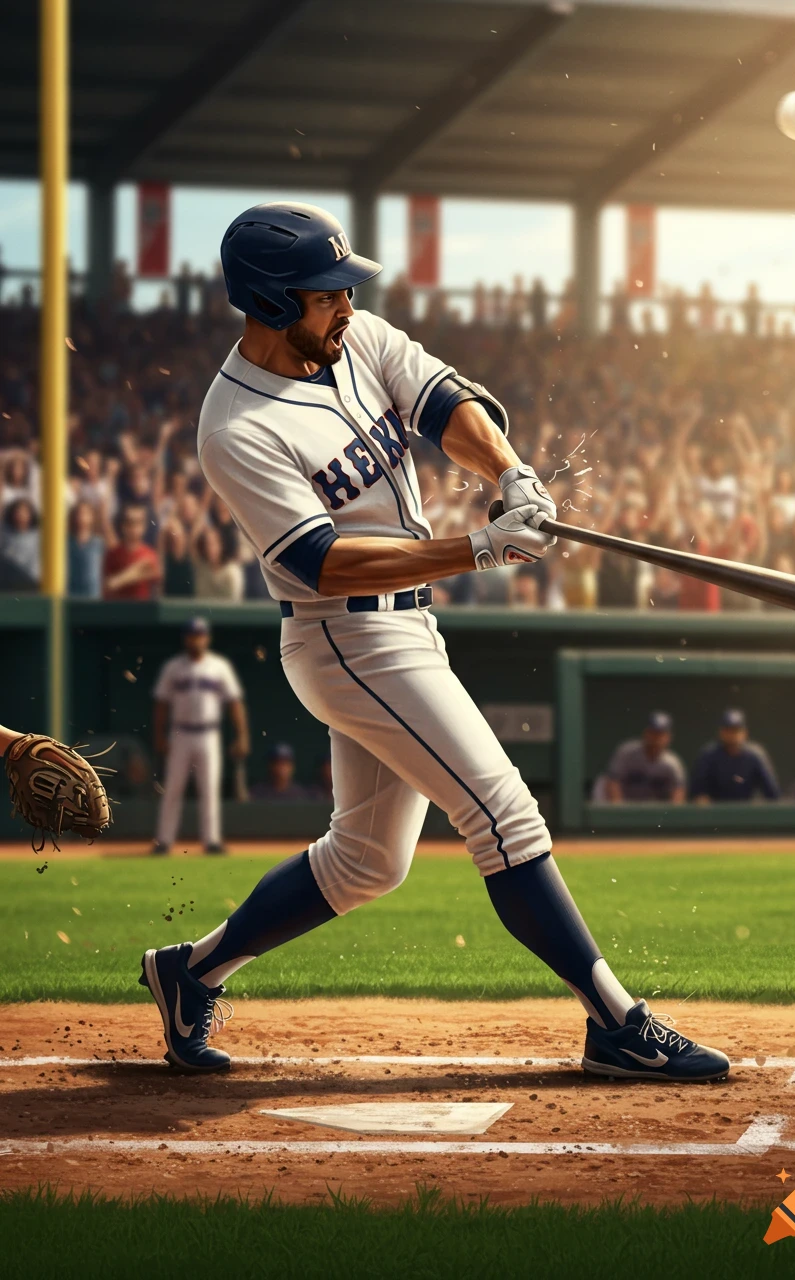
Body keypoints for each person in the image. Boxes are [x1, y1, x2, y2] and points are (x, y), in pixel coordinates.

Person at [138, 200, 728, 1083]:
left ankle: (192, 971)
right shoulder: (237, 429)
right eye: (323, 292)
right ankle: (616, 1021)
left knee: (369, 861)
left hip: (407, 625)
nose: (344, 302)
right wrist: (481, 548)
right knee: (502, 811)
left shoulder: (357, 338)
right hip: (346, 639)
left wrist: (510, 473)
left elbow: (449, 405)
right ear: (268, 305)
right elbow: (323, 561)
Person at [151, 618, 249, 855]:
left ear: (207, 638)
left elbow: (234, 702)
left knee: (209, 788)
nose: (196, 639)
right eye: (192, 635)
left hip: (209, 733)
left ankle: (212, 841)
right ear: (185, 638)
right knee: (173, 788)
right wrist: (159, 735)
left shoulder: (219, 666)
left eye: (200, 635)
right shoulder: (173, 667)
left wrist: (242, 735)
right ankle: (164, 841)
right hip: (180, 732)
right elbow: (161, 704)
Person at [689, 709, 780, 803]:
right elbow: (696, 792)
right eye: (728, 730)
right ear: (721, 732)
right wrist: (701, 800)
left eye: (736, 730)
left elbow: (773, 794)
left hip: (748, 812)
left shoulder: (755, 755)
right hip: (716, 812)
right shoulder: (709, 755)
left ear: (745, 732)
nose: (732, 735)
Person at [597, 712, 686, 804]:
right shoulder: (627, 752)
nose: (656, 738)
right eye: (653, 733)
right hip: (625, 807)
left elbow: (678, 791)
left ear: (668, 737)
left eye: (661, 734)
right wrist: (619, 811)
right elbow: (613, 781)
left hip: (653, 813)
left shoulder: (672, 763)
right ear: (646, 733)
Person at [102, 504, 161, 600]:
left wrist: (118, 580)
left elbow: (155, 574)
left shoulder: (150, 554)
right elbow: (107, 586)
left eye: (138, 522)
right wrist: (135, 572)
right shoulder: (113, 554)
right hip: (118, 609)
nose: (134, 527)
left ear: (144, 526)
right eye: (129, 522)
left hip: (142, 610)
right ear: (123, 526)